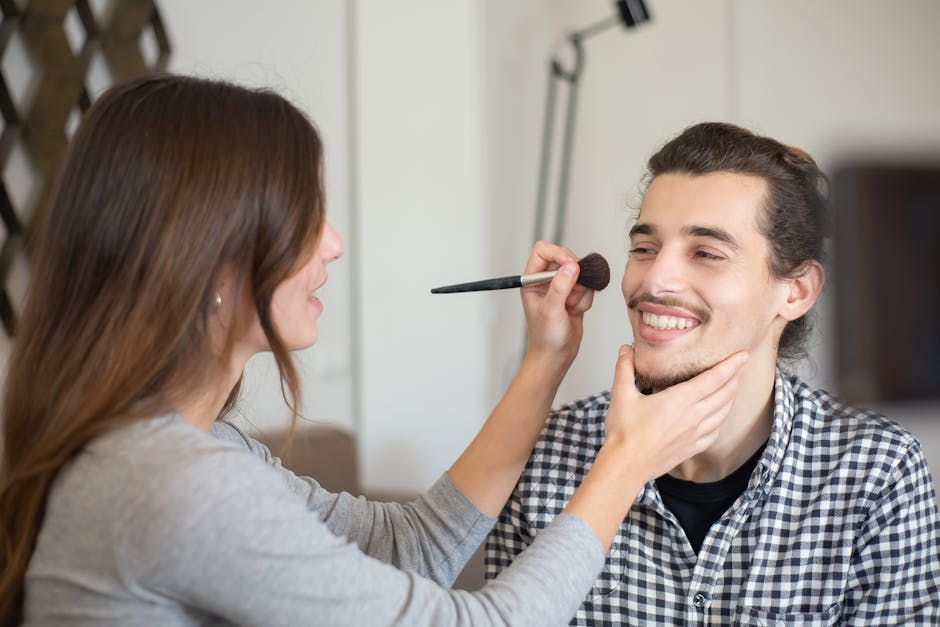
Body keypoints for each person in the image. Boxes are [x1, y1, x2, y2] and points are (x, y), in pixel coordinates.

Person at [0, 75, 748, 626]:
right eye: (305, 219)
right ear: (210, 258)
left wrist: (545, 358)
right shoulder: (173, 485)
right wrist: (625, 464)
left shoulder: (196, 451)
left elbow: (410, 548)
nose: (333, 245)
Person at [486, 122, 940, 624]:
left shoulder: (875, 472)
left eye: (706, 253)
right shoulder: (544, 456)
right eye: (644, 248)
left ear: (796, 291)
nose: (654, 279)